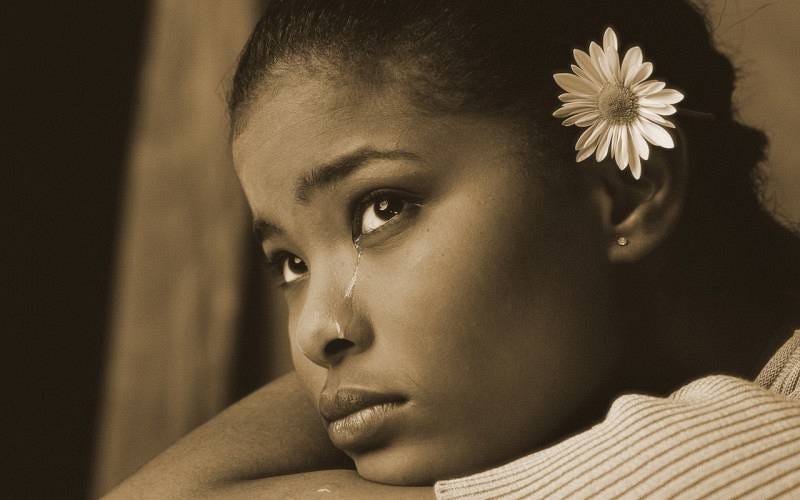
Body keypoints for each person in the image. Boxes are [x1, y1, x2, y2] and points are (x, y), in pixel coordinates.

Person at [107, 0, 800, 498]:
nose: (316, 332)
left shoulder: (746, 458)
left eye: (382, 210)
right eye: (291, 263)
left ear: (625, 190)